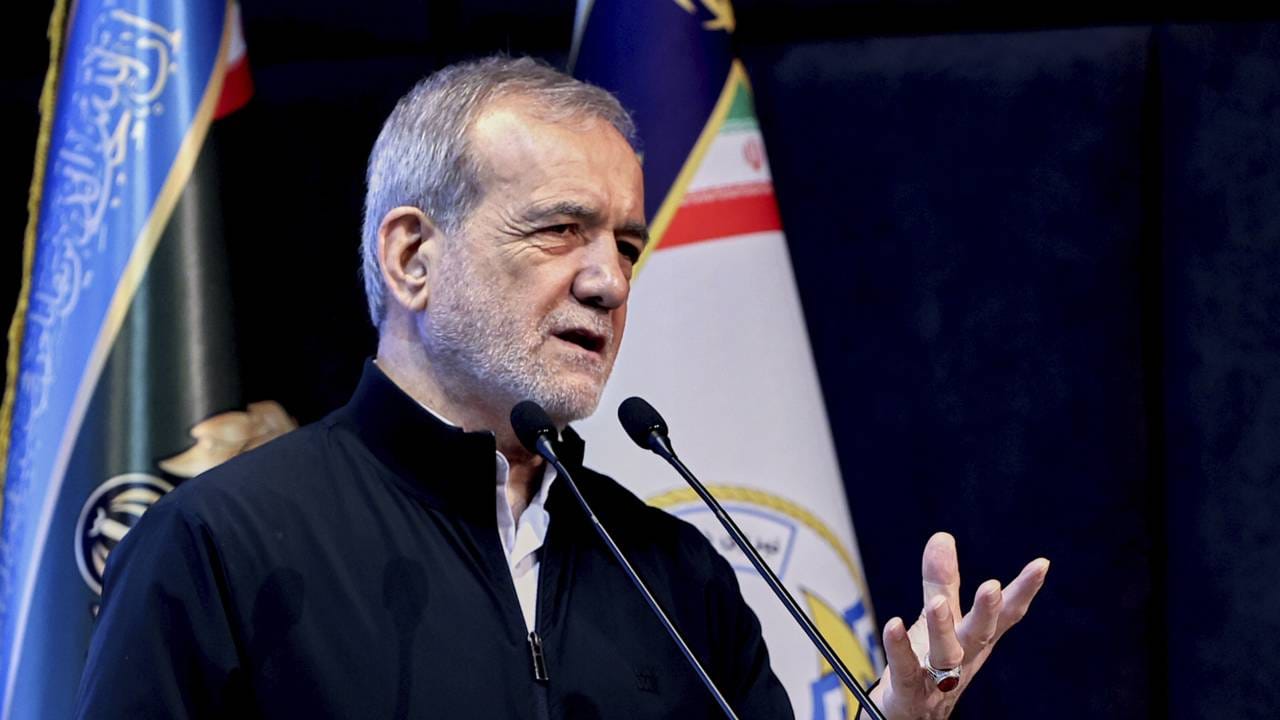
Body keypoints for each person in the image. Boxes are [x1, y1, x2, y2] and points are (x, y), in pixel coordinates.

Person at [74, 56, 1048, 719]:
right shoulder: (221, 547)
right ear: (411, 256)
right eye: (560, 231)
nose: (610, 281)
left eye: (626, 245)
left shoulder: (676, 576)